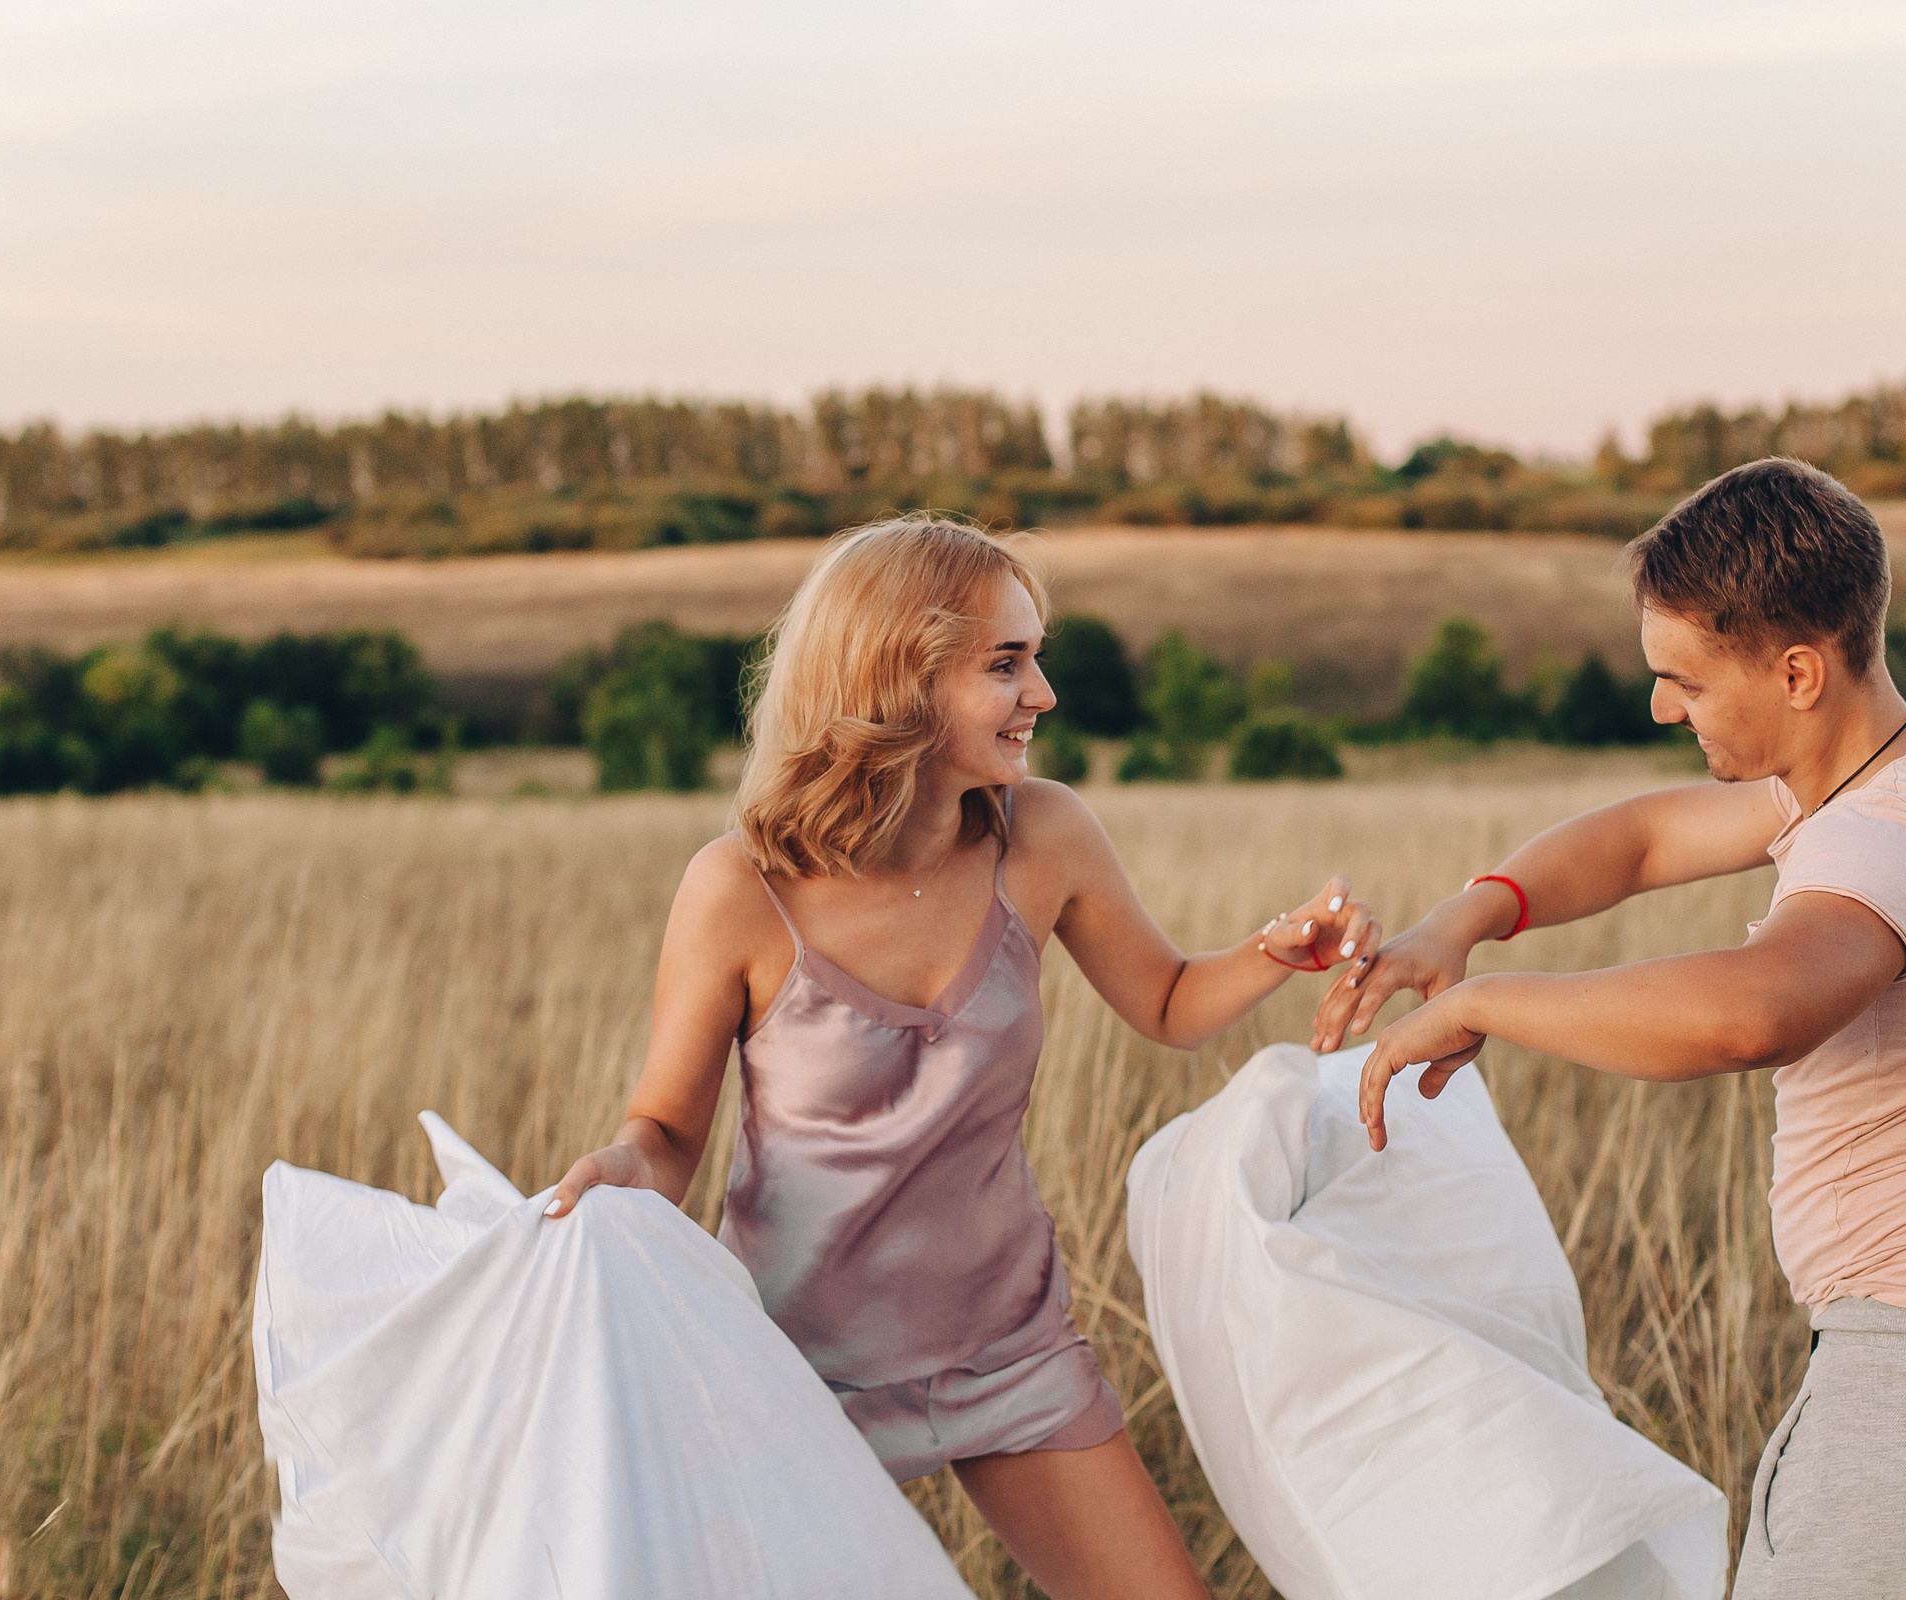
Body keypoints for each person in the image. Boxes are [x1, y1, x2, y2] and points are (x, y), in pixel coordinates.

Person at [1316, 459, 1906, 1600]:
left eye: (1687, 681)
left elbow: (1749, 1015)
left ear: (1799, 671)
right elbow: (1643, 839)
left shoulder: (1889, 839)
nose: (1663, 706)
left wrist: (1480, 1006)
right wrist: (1468, 918)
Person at [547, 515, 1372, 1600]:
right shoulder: (739, 887)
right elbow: (666, 1133)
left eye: (1037, 657)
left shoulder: (1048, 838)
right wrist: (621, 1169)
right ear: (898, 678)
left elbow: (1168, 1001)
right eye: (1006, 664)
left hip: (1010, 1349)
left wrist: (1275, 951)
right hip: (797, 1376)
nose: (1044, 694)